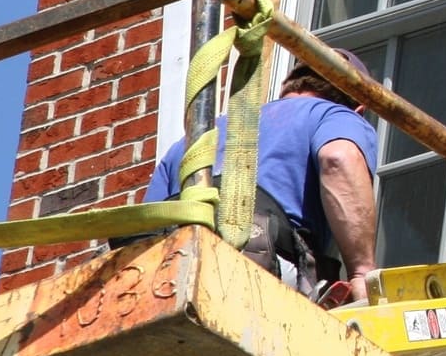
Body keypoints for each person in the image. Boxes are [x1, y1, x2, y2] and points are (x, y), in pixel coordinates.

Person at [146, 48, 381, 300]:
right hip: (257, 263)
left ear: (287, 87)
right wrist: (361, 271)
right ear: (359, 107)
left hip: (166, 270)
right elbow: (338, 158)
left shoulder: (195, 139)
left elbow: (147, 221)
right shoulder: (334, 115)